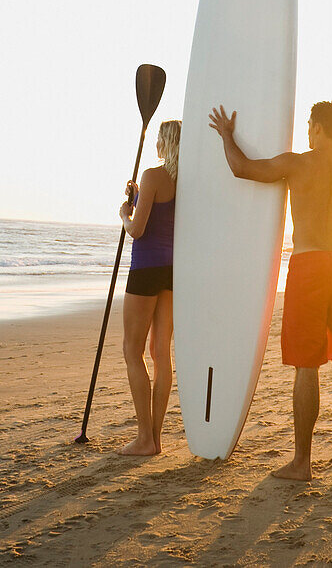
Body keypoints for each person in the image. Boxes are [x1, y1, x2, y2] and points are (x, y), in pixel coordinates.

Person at [208, 100, 332, 481]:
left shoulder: (297, 163)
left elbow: (242, 168)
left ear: (316, 127)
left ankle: (302, 462)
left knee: (306, 365)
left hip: (309, 267)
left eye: (309, 124)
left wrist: (227, 136)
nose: (307, 130)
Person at [117, 118, 181, 456]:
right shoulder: (187, 181)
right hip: (171, 273)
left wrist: (124, 213)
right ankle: (155, 437)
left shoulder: (152, 174)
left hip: (144, 270)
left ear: (163, 143)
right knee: (161, 354)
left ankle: (144, 439)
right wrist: (139, 194)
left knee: (132, 350)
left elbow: (138, 230)